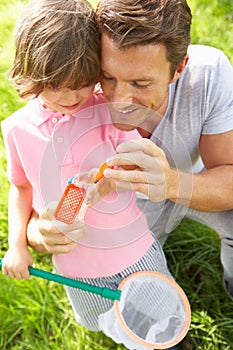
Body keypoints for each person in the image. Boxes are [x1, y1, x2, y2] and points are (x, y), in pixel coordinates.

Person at [1, 1, 179, 349]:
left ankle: (167, 341)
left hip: (134, 251)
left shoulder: (104, 109)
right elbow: (19, 187)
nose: (70, 96)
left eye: (82, 83)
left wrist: (110, 177)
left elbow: (136, 161)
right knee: (102, 320)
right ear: (31, 73)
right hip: (75, 265)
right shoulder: (17, 129)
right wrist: (18, 245)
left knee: (160, 313)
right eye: (55, 85)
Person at [94, 0, 233, 301]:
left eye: (141, 83)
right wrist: (37, 232)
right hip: (122, 205)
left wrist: (171, 183)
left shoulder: (209, 74)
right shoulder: (76, 87)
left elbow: (229, 176)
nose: (119, 99)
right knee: (126, 283)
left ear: (179, 68)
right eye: (108, 77)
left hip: (187, 178)